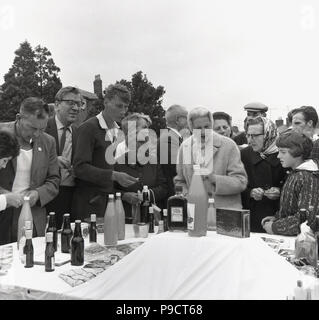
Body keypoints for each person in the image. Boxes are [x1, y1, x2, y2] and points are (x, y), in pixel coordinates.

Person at [72, 83, 138, 221]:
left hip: (108, 203)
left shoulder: (117, 131)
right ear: (106, 102)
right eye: (119, 106)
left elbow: (107, 170)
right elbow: (79, 168)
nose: (123, 111)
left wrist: (122, 189)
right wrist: (114, 175)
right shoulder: (88, 128)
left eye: (126, 107)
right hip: (89, 206)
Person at [0, 97, 60, 243]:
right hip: (3, 214)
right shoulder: (1, 134)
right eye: (33, 128)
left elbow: (54, 179)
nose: (37, 134)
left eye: (42, 128)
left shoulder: (49, 142)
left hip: (33, 216)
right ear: (19, 118)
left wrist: (38, 194)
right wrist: (4, 196)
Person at [174, 107, 247, 209]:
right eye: (199, 128)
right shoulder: (185, 147)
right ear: (191, 128)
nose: (203, 131)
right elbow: (180, 181)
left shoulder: (229, 145)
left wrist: (215, 179)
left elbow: (241, 182)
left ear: (211, 125)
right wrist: (188, 197)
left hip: (225, 214)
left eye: (207, 126)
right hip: (196, 212)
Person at [261, 131, 319, 236]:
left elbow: (307, 217)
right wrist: (278, 218)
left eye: (283, 152)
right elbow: (292, 208)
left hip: (301, 241)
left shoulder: (308, 178)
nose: (278, 156)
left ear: (298, 152)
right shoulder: (295, 174)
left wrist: (276, 227)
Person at [114, 113, 168, 222]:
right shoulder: (117, 163)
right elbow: (107, 190)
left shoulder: (154, 161)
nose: (148, 131)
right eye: (144, 127)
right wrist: (125, 196)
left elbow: (164, 187)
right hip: (126, 220)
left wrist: (146, 195)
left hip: (152, 220)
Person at [240, 117, 286, 232]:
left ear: (268, 134)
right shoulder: (244, 155)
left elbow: (294, 183)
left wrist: (280, 191)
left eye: (255, 135)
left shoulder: (284, 153)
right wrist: (250, 192)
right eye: (248, 135)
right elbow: (236, 184)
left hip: (278, 218)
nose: (250, 140)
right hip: (252, 217)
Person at [45, 86, 82, 228]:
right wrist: (53, 160)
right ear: (57, 104)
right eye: (71, 103)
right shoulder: (41, 127)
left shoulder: (79, 132)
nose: (76, 108)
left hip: (72, 196)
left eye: (79, 104)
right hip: (46, 195)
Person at [157, 104, 189, 208]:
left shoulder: (172, 138)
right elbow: (178, 169)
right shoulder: (168, 139)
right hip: (172, 198)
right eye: (187, 117)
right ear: (178, 120)